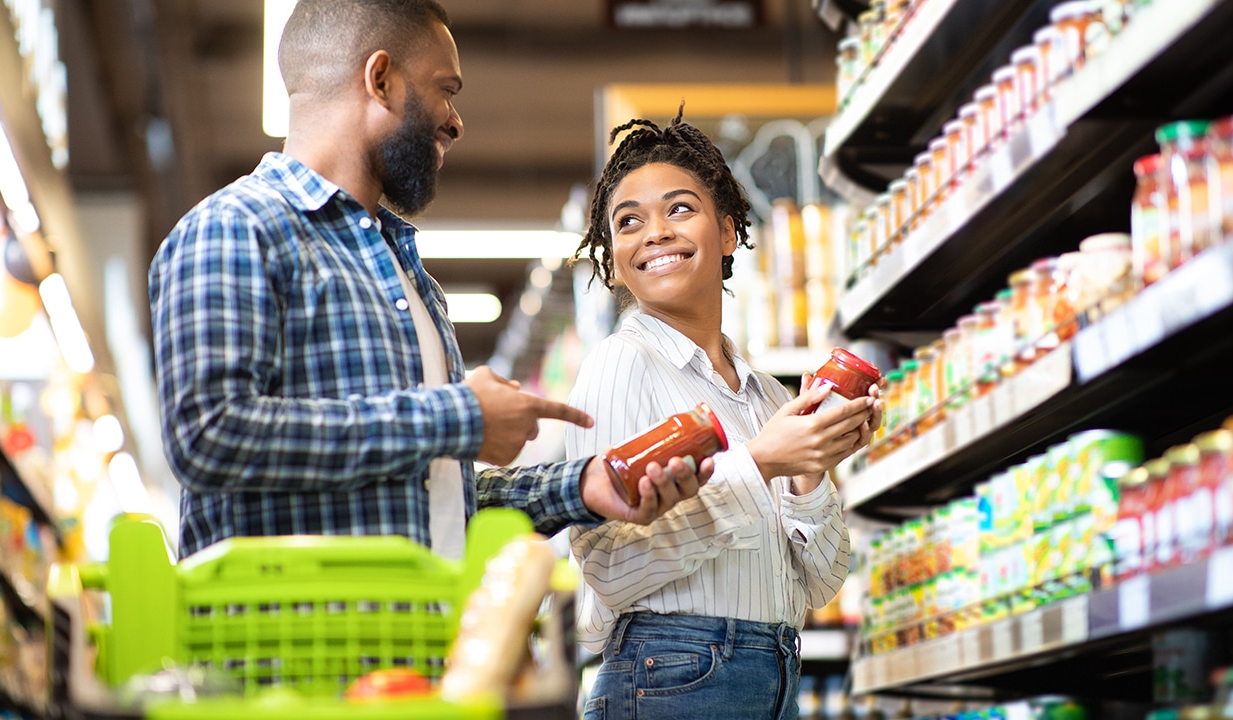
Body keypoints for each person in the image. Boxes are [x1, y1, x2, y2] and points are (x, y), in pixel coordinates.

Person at [147, 0, 711, 560]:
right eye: (446, 89)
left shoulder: (408, 277)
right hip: (288, 643)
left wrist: (585, 486)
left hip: (417, 638)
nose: (456, 121)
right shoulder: (234, 228)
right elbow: (208, 434)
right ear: (382, 79)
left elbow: (438, 499)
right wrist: (459, 416)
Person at [566, 109, 883, 720]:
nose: (654, 232)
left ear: (729, 232)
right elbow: (609, 564)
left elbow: (819, 584)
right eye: (628, 222)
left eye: (679, 209)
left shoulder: (765, 395)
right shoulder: (620, 364)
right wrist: (762, 463)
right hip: (670, 675)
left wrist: (813, 467)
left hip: (773, 674)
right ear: (614, 253)